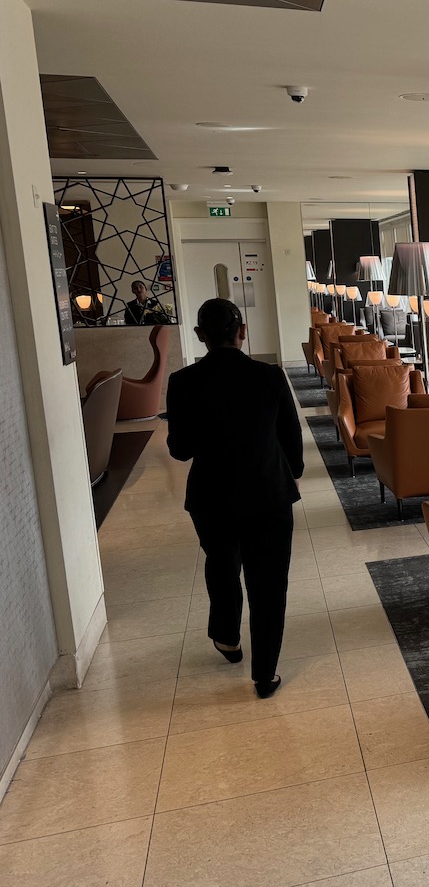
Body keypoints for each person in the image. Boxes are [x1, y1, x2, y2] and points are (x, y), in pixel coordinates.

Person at [167, 299, 303, 698]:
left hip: (210, 498)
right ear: (241, 331)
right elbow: (292, 445)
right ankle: (264, 674)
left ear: (200, 336)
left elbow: (180, 449)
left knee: (222, 563)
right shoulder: (270, 376)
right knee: (269, 583)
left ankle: (227, 637)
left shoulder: (183, 381)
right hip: (269, 495)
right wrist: (287, 471)